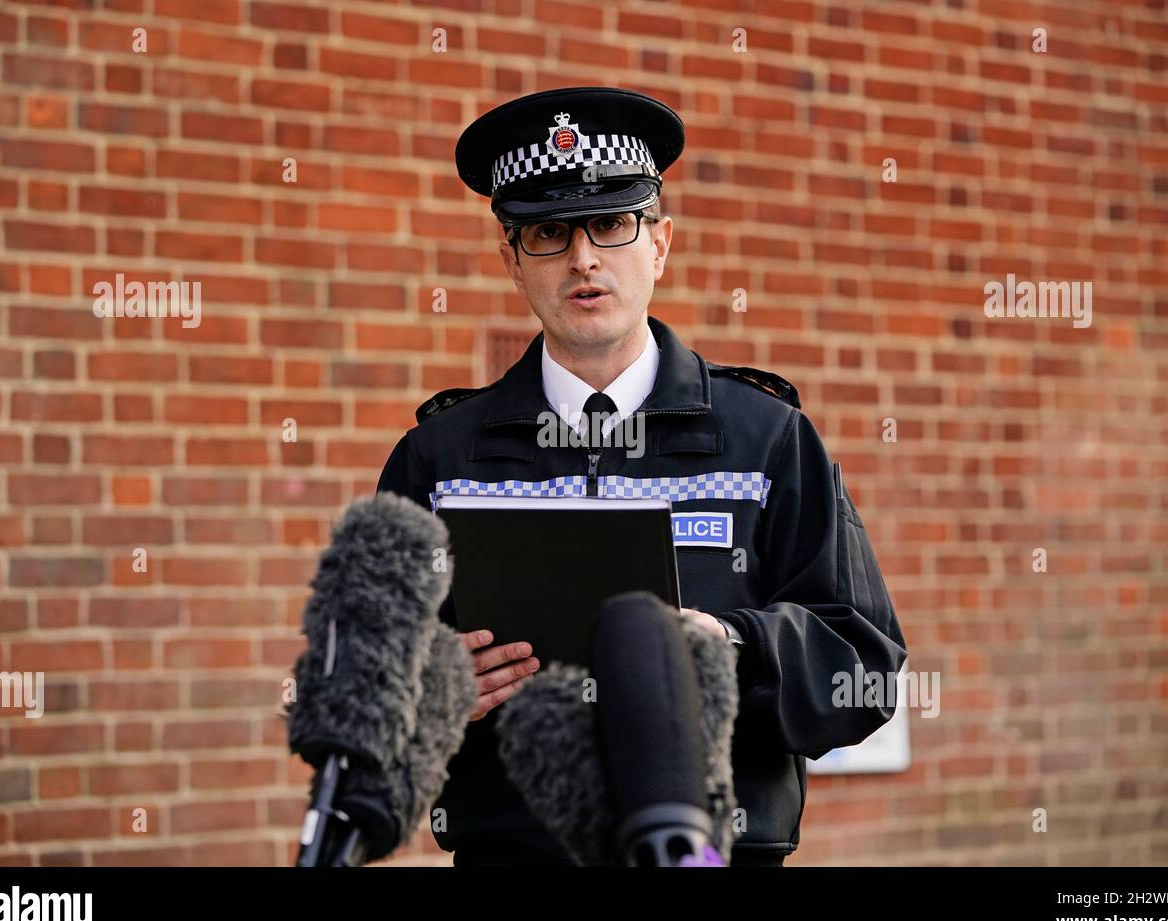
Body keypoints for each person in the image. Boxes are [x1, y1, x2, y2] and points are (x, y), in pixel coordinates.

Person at [376, 86, 908, 866]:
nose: (583, 258)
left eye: (611, 224)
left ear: (659, 244)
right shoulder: (439, 457)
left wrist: (734, 646)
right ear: (512, 261)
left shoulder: (767, 439)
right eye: (549, 232)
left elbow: (866, 668)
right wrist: (433, 688)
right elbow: (361, 688)